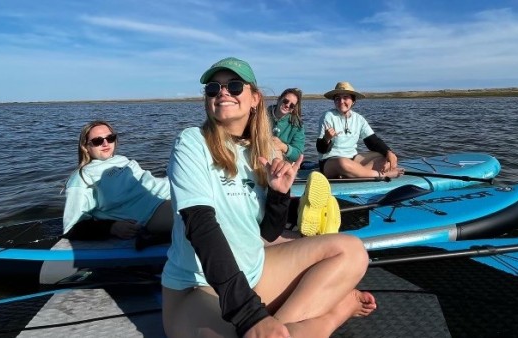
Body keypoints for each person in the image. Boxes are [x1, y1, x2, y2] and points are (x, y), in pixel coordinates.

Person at [161, 57, 376, 338]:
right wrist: (249, 316)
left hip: (256, 272)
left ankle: (278, 327)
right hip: (198, 286)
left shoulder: (263, 153)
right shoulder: (192, 142)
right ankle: (334, 315)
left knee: (352, 251)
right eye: (213, 89)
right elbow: (199, 225)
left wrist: (278, 195)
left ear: (254, 98)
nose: (223, 92)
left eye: (234, 86)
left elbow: (268, 234)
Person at [62, 120, 172, 248]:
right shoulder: (83, 177)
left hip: (171, 190)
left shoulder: (121, 160)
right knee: (196, 212)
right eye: (98, 141)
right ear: (85, 147)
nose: (105, 143)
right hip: (154, 210)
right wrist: (111, 227)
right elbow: (72, 226)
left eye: (110, 138)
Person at [316, 81, 404, 179]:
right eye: (337, 99)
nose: (341, 102)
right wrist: (326, 139)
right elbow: (321, 149)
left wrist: (389, 152)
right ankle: (382, 175)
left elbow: (373, 142)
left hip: (353, 159)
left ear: (353, 101)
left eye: (345, 97)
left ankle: (353, 174)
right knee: (343, 163)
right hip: (331, 162)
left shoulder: (359, 119)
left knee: (385, 157)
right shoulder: (328, 116)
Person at [267, 88, 305, 162]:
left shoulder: (297, 125)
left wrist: (283, 147)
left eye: (292, 105)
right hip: (260, 152)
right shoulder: (262, 114)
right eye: (285, 101)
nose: (287, 105)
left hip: (283, 160)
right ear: (279, 99)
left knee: (276, 151)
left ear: (293, 109)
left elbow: (298, 154)